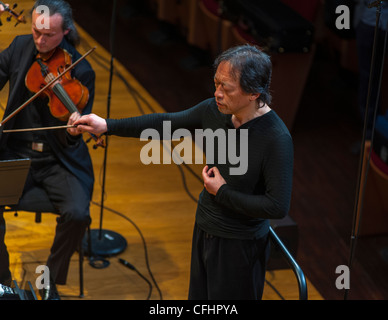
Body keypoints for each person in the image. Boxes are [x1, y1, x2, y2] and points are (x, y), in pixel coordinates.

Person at [74, 44, 294, 300]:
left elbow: (277, 206)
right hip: (204, 228)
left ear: (254, 93)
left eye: (226, 88)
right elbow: (165, 124)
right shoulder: (214, 110)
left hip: (240, 246)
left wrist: (221, 192)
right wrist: (106, 126)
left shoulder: (276, 139)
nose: (217, 93)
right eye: (216, 84)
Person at [0, 0, 95, 300]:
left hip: (58, 161)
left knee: (78, 214)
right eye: (36, 33)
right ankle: (3, 283)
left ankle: (49, 279)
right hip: (15, 153)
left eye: (49, 36)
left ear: (65, 31)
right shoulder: (19, 47)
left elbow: (75, 139)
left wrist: (72, 132)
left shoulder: (82, 70)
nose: (40, 42)